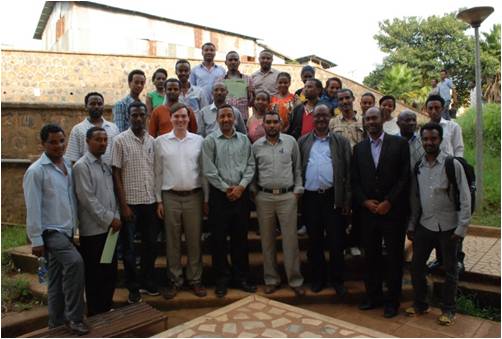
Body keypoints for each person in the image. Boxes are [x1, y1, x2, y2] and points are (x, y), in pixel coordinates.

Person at [23, 124, 88, 335]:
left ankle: (56, 322)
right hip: (50, 232)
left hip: (66, 231)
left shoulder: (68, 166)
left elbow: (69, 199)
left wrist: (74, 228)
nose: (58, 146)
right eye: (52, 142)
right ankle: (75, 318)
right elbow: (33, 206)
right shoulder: (36, 171)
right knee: (75, 263)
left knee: (57, 279)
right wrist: (36, 240)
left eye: (61, 141)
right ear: (43, 144)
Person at [406, 122, 471, 326]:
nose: (429, 142)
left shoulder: (453, 165)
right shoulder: (419, 167)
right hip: (425, 225)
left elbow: (466, 198)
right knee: (416, 267)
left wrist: (461, 228)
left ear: (440, 140)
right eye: (425, 139)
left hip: (449, 228)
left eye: (433, 138)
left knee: (450, 270)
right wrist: (412, 224)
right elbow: (416, 199)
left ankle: (449, 309)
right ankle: (421, 303)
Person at [352, 107, 410, 318]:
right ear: (364, 122)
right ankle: (373, 296)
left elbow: (405, 177)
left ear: (382, 119)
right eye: (367, 119)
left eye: (374, 117)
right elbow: (355, 180)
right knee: (371, 257)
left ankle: (392, 301)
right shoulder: (359, 148)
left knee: (394, 258)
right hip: (368, 213)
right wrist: (365, 201)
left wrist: (389, 201)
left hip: (393, 213)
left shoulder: (399, 144)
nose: (371, 122)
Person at [202, 104, 256, 298]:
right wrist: (226, 188)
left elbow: (250, 165)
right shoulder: (209, 141)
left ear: (235, 119)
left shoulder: (244, 140)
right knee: (218, 240)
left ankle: (241, 278)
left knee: (240, 239)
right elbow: (208, 169)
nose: (225, 119)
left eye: (229, 116)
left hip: (241, 196)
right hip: (220, 196)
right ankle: (222, 280)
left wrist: (241, 186)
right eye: (222, 116)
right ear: (217, 119)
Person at [298, 104, 352, 296]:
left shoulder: (341, 142)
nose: (321, 119)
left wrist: (346, 201)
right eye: (317, 116)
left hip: (333, 197)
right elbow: (298, 170)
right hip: (311, 198)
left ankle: (337, 280)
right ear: (312, 118)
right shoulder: (303, 141)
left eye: (324, 115)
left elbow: (347, 172)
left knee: (336, 242)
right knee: (315, 242)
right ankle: (318, 279)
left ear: (330, 117)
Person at [154, 103, 206, 299]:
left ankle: (195, 280)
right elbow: (157, 172)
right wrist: (159, 200)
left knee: (194, 241)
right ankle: (175, 280)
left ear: (189, 118)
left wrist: (205, 199)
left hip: (194, 195)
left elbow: (202, 171)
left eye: (184, 116)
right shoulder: (160, 141)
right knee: (172, 241)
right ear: (171, 118)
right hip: (170, 196)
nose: (181, 120)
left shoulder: (199, 140)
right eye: (177, 116)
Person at [252, 111, 305, 296]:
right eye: (269, 122)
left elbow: (297, 168)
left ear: (281, 124)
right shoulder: (256, 146)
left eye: (275, 122)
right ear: (263, 125)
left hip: (287, 197)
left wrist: (298, 190)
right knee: (267, 241)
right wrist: (255, 193)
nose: (272, 125)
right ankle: (271, 279)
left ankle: (295, 280)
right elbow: (253, 172)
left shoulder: (291, 142)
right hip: (264, 197)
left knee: (290, 241)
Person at [111, 102, 159, 304]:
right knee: (129, 249)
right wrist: (123, 206)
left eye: (141, 115)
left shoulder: (153, 142)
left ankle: (148, 281)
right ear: (129, 117)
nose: (138, 118)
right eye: (134, 115)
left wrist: (157, 201)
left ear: (146, 116)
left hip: (149, 202)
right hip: (130, 204)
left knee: (151, 245)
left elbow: (156, 171)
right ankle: (133, 286)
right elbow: (116, 173)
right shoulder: (120, 141)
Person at [73, 127, 120, 317]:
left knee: (109, 271)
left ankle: (106, 309)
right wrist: (110, 219)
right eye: (98, 140)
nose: (102, 143)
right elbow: (88, 200)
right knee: (94, 275)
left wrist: (115, 216)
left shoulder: (104, 164)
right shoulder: (81, 166)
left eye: (105, 140)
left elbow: (111, 194)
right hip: (93, 232)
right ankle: (95, 313)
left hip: (110, 231)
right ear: (87, 141)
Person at [424, 94, 466, 273]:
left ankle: (458, 258)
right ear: (426, 110)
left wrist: (455, 174)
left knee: (452, 218)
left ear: (442, 109)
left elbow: (459, 150)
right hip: (431, 177)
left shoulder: (452, 127)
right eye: (430, 108)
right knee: (436, 220)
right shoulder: (424, 129)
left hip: (450, 175)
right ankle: (440, 259)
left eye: (437, 108)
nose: (433, 111)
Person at [65, 92, 119, 165]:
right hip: (87, 174)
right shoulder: (78, 129)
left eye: (99, 104)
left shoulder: (113, 128)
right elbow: (72, 158)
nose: (96, 106)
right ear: (86, 106)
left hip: (108, 174)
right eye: (92, 104)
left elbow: (117, 156)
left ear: (103, 106)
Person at [219, 51, 254, 122]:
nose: (233, 62)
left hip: (242, 118)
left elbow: (251, 103)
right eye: (230, 60)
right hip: (225, 118)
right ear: (225, 62)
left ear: (239, 62)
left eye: (235, 60)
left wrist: (252, 94)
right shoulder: (220, 80)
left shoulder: (247, 79)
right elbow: (217, 101)